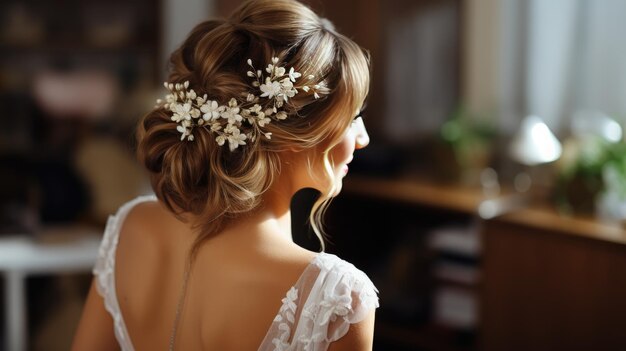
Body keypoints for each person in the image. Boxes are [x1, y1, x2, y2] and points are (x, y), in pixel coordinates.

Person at [72, 0, 378, 349]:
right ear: (296, 134)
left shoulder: (130, 227)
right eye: (353, 117)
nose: (363, 138)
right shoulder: (337, 297)